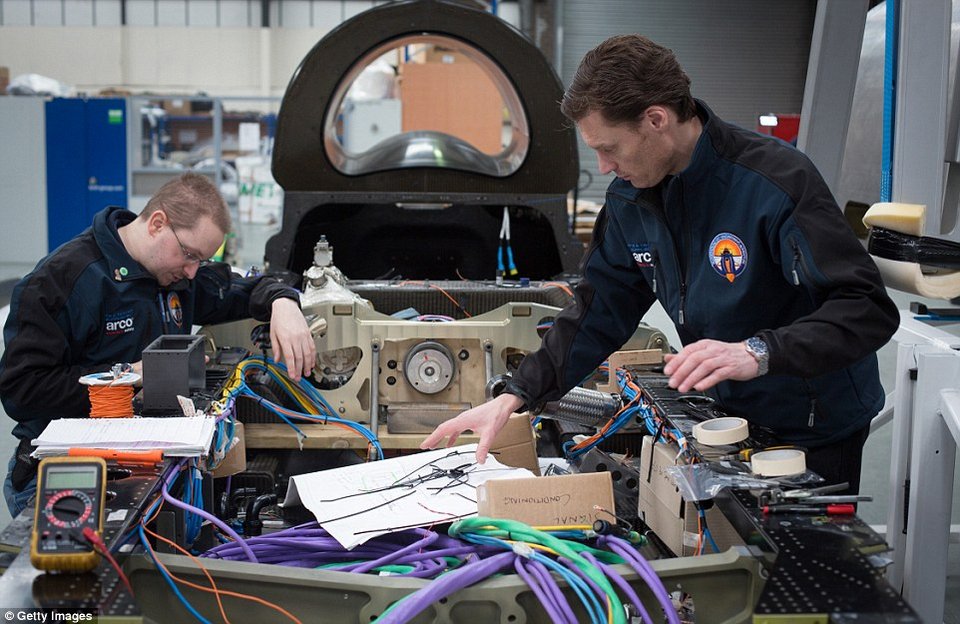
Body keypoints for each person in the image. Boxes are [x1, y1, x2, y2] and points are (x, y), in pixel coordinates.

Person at [422, 34, 899, 493]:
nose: (604, 166)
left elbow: (866, 308)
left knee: (802, 564)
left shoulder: (773, 182)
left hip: (814, 427)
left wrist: (756, 352)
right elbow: (596, 312)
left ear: (656, 119)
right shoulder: (632, 199)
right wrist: (515, 395)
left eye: (609, 148)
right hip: (723, 421)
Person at [1, 172, 317, 516]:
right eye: (189, 254)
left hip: (147, 470)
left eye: (202, 260)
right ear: (156, 224)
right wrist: (125, 378)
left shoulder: (178, 277)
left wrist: (283, 302)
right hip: (66, 477)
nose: (194, 272)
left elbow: (247, 287)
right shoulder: (64, 280)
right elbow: (22, 390)